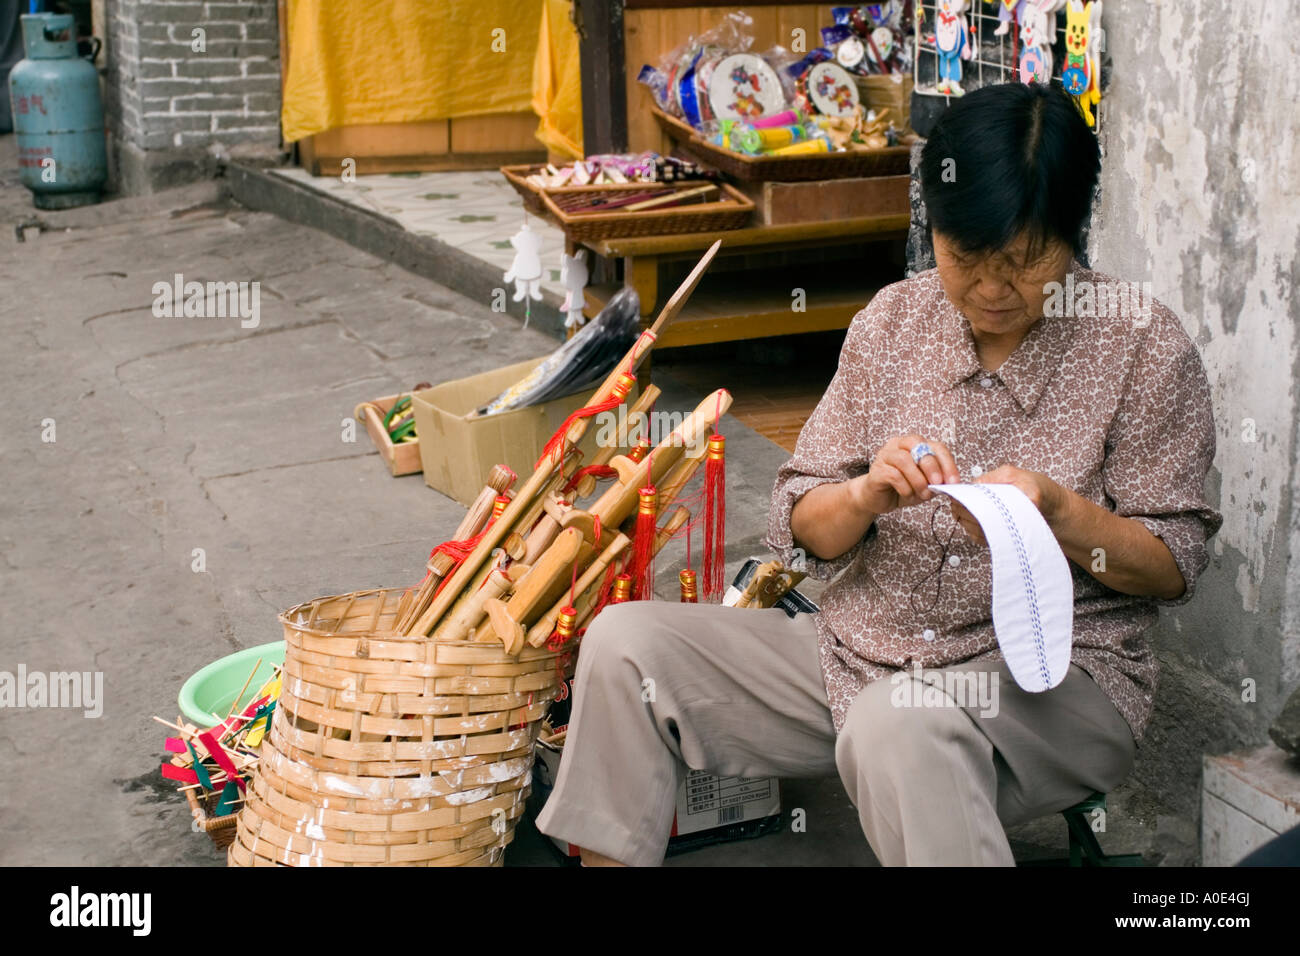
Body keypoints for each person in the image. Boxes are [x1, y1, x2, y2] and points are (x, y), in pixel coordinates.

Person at [535, 81, 1222, 866]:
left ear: (1073, 234)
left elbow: (1172, 566)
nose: (991, 289)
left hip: (1048, 689)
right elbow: (801, 528)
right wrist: (863, 496)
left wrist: (1057, 512)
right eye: (966, 258)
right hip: (854, 657)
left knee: (900, 721)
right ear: (935, 230)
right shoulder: (892, 322)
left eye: (1022, 262)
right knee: (627, 645)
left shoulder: (1141, 346)